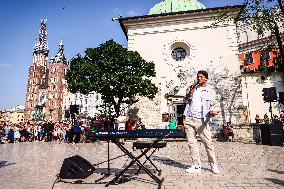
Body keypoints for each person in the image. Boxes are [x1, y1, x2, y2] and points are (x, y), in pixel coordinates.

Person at [183, 70, 220, 174]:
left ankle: (213, 164)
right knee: (191, 143)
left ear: (206, 78)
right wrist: (190, 91)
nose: (199, 79)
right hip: (189, 118)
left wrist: (213, 112)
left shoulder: (210, 91)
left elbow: (213, 105)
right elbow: (185, 100)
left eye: (201, 77)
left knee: (208, 142)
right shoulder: (193, 88)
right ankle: (196, 165)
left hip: (201, 119)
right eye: (198, 77)